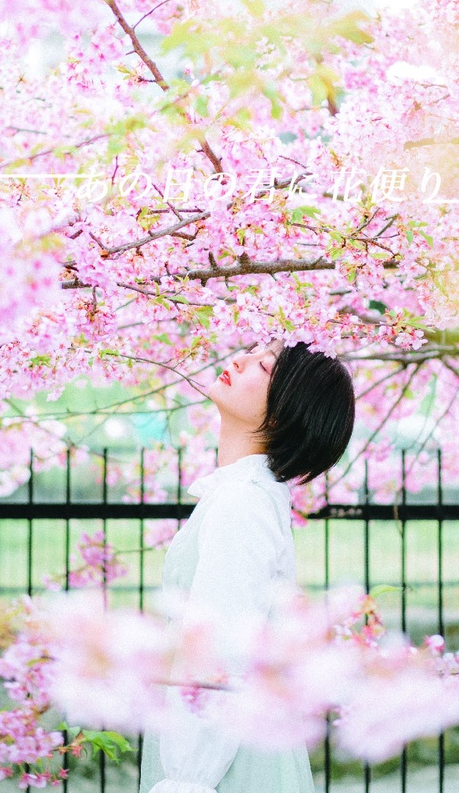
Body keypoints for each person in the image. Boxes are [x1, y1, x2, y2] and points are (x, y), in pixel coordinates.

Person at [139, 338, 356, 793]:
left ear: (284, 410)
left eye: (263, 365)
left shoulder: (242, 502)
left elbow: (218, 650)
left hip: (223, 765)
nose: (236, 359)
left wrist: (187, 778)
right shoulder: (243, 494)